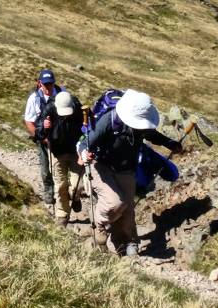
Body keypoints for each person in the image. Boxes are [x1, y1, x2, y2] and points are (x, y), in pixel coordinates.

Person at [78, 89, 182, 256]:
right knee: (114, 203)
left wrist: (169, 143)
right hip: (102, 166)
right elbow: (85, 142)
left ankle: (126, 244)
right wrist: (83, 154)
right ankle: (99, 227)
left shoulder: (140, 126)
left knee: (127, 211)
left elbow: (152, 135)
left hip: (126, 169)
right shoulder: (109, 120)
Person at [38, 90, 86, 226]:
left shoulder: (78, 108)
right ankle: (62, 214)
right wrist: (43, 128)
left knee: (79, 184)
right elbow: (39, 131)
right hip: (57, 152)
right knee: (60, 185)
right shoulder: (49, 108)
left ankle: (75, 197)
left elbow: (88, 126)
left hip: (75, 151)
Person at [23, 68, 61, 207]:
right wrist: (40, 138)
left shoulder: (62, 94)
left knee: (62, 168)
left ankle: (65, 194)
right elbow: (29, 121)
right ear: (40, 83)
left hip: (60, 138)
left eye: (51, 84)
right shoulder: (34, 98)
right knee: (45, 169)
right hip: (43, 138)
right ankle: (49, 192)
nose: (48, 87)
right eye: (45, 84)